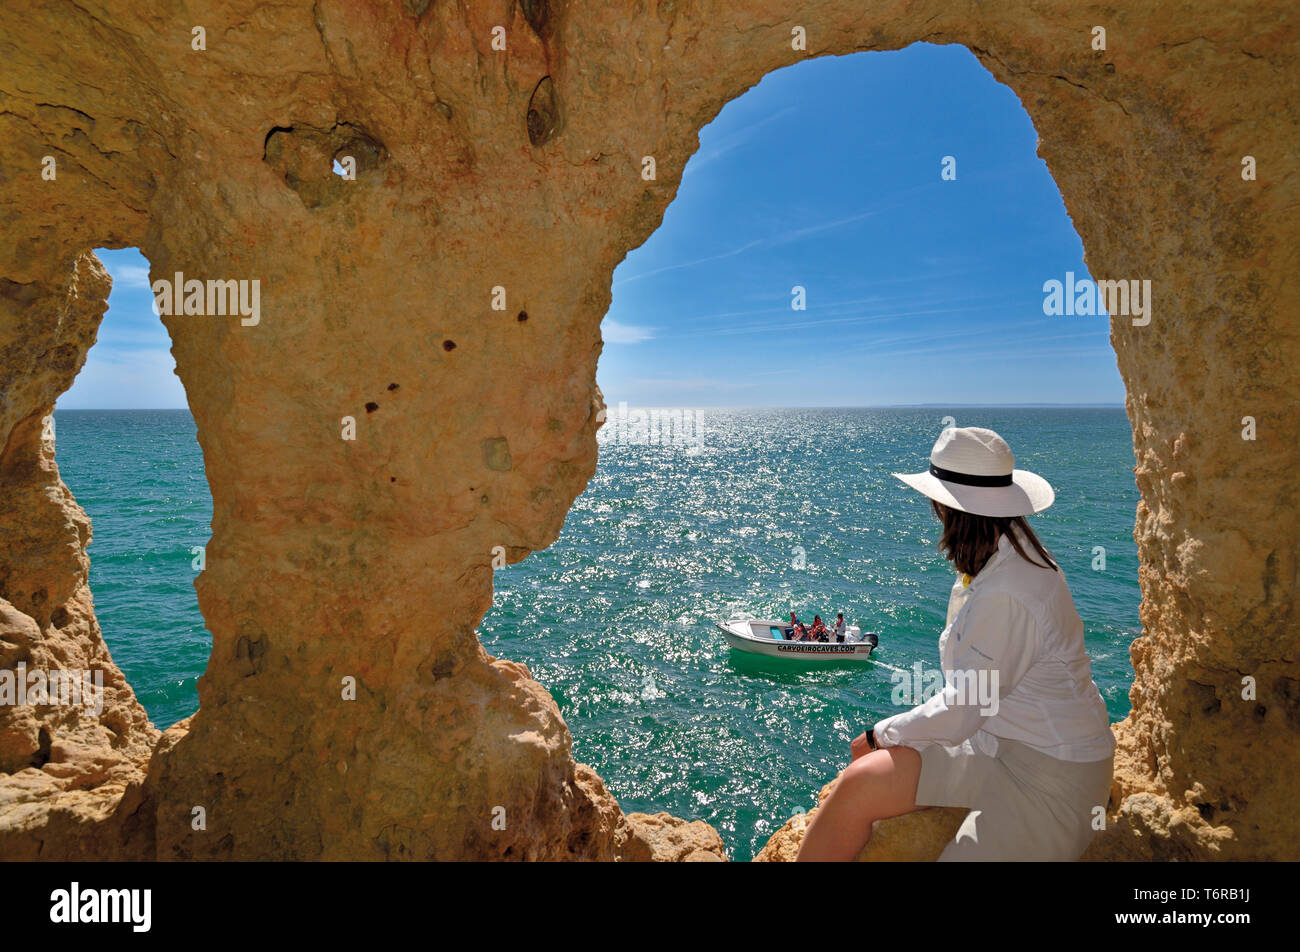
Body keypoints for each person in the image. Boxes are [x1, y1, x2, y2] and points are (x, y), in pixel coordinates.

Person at [796, 426, 1115, 862]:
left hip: (1050, 775)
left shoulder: (1008, 589)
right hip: (994, 743)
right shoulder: (1003, 555)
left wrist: (879, 733)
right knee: (860, 783)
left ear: (948, 507)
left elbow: (964, 709)